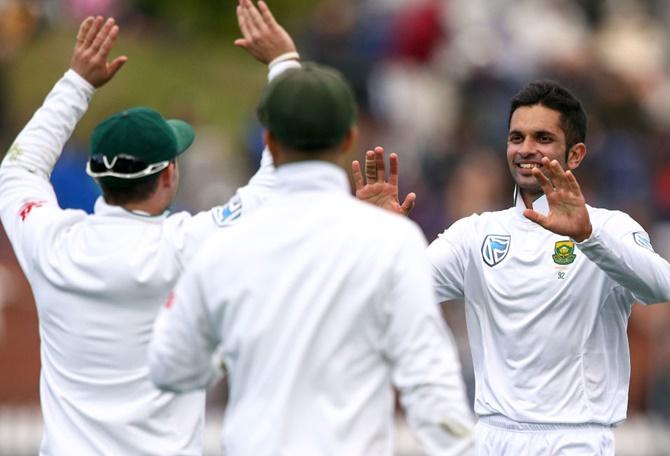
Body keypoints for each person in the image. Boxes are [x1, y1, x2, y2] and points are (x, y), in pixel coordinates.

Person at [148, 9, 475, 455]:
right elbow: (432, 385)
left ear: (268, 142)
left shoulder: (225, 241)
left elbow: (170, 366)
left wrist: (238, 344)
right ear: (348, 140)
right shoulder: (390, 240)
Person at [0, 9, 298, 455]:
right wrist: (284, 64)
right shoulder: (189, 246)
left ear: (98, 178)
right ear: (168, 176)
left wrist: (77, 82)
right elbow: (280, 182)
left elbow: (19, 167)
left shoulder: (54, 245)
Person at [353, 80, 670, 455]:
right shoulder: (475, 234)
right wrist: (382, 235)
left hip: (576, 438)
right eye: (516, 137)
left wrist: (588, 237)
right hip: (493, 437)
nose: (526, 149)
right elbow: (393, 293)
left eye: (543, 138)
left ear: (576, 154)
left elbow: (659, 287)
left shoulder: (608, 228)